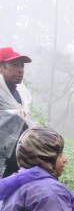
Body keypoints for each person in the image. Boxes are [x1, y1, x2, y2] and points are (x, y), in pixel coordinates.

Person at [0, 47, 33, 178]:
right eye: (14, 65)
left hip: (15, 164)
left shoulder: (19, 94)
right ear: (1, 67)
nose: (20, 70)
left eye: (22, 66)